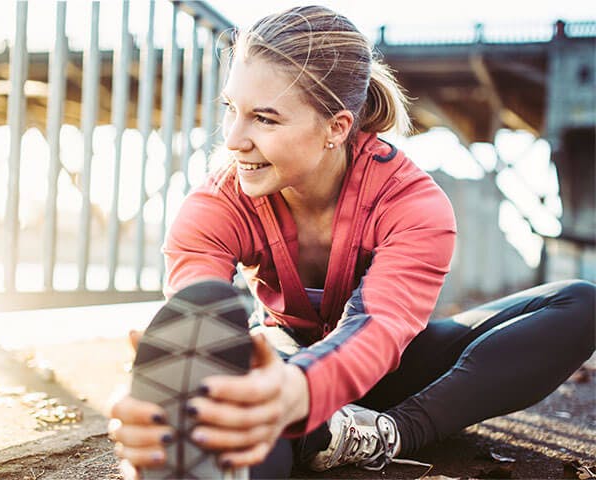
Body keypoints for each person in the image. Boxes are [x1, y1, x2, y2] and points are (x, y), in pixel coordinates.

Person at [108, 5, 596, 479]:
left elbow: (381, 328)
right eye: (231, 109)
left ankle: (388, 433)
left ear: (336, 128)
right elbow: (194, 317)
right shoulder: (216, 201)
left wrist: (302, 389)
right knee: (229, 364)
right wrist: (170, 407)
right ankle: (283, 439)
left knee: (579, 303)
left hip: (390, 371)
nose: (233, 139)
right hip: (281, 357)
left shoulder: (414, 203)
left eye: (265, 118)